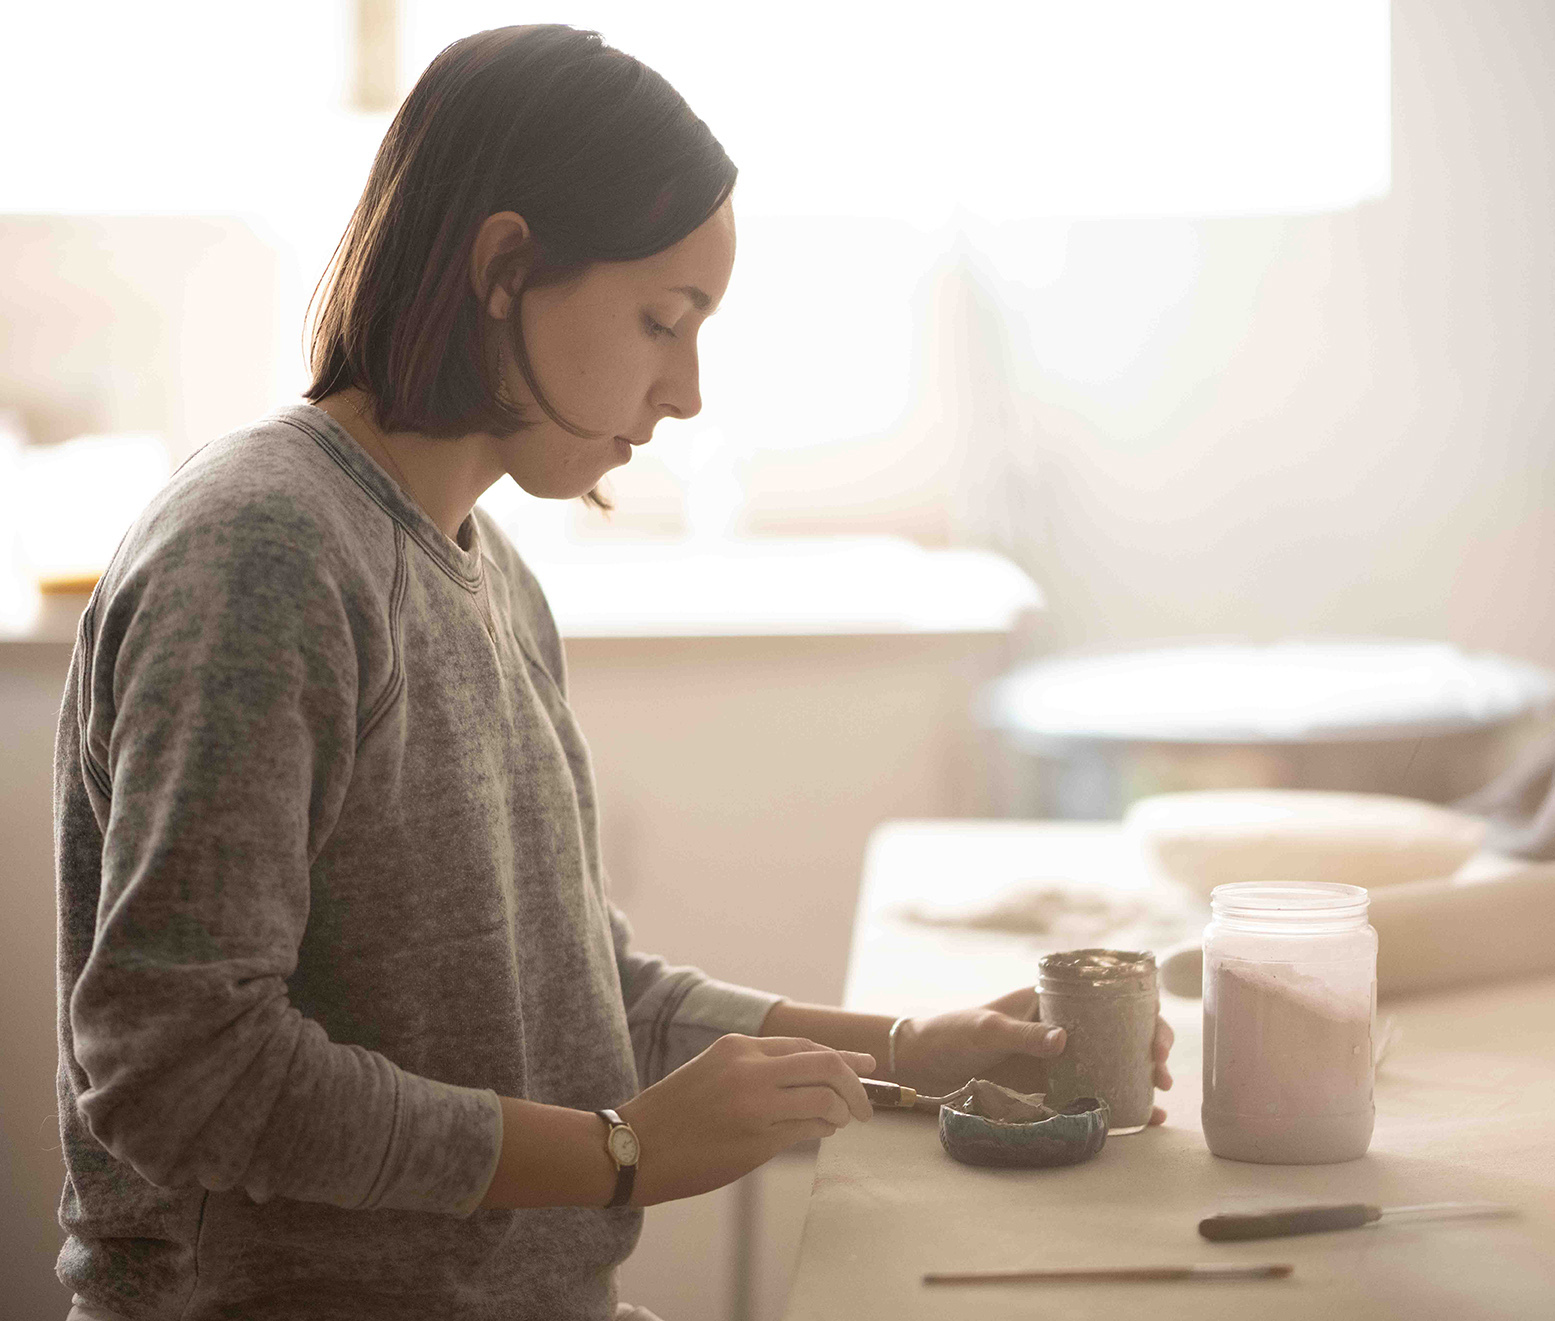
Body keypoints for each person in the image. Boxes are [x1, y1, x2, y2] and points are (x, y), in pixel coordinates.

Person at [51, 25, 1172, 1320]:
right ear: (504, 266)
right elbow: (181, 1069)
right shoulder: (263, 556)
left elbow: (593, 1001)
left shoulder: (494, 580)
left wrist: (908, 1053)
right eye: (662, 319)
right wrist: (621, 1151)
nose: (687, 390)